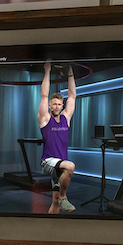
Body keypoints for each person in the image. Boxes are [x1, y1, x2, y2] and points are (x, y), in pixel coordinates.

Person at [38, 59, 77, 213]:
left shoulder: (66, 118)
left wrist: (70, 74)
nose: (56, 106)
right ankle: (63, 198)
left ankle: (52, 221)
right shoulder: (45, 119)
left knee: (54, 200)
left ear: (62, 106)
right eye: (54, 104)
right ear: (50, 105)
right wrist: (47, 71)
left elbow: (72, 96)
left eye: (59, 104)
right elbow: (44, 95)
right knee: (70, 166)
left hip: (60, 165)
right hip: (48, 162)